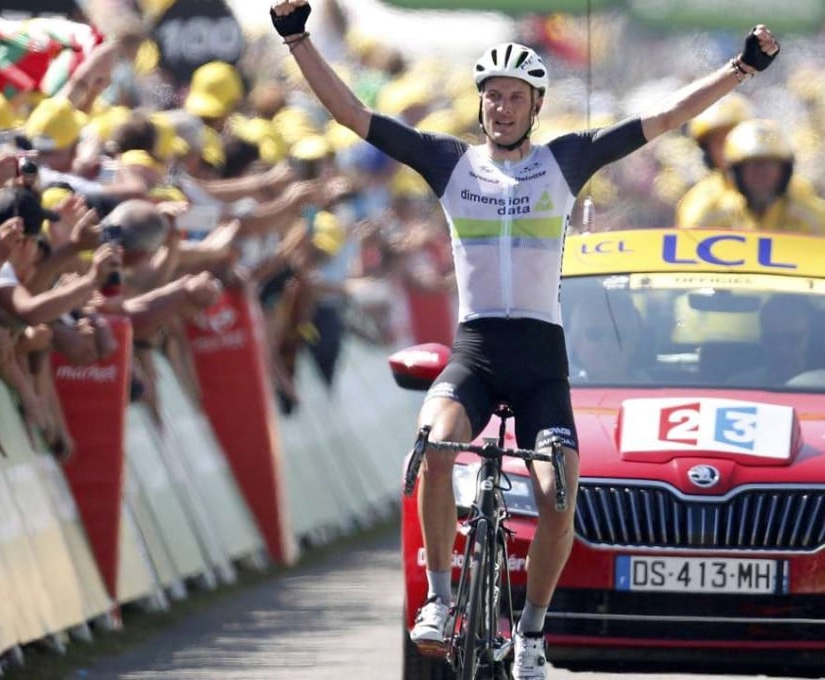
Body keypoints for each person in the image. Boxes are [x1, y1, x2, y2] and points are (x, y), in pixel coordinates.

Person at [269, 2, 779, 677]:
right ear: (479, 103)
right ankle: (441, 601)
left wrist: (740, 68)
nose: (501, 108)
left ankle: (532, 635)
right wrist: (297, 37)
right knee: (433, 446)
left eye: (514, 97)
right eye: (492, 96)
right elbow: (351, 115)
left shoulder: (566, 160)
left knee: (557, 493)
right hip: (477, 352)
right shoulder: (449, 163)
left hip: (541, 363)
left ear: (536, 105)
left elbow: (663, 118)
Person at [681, 118, 825, 233]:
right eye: (754, 166)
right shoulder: (707, 215)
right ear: (735, 172)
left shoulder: (813, 218)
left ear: (785, 171)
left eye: (770, 165)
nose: (763, 174)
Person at [676, 93, 752, 227]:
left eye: (734, 137)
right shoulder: (698, 204)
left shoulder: (791, 195)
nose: (728, 148)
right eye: (719, 142)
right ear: (707, 151)